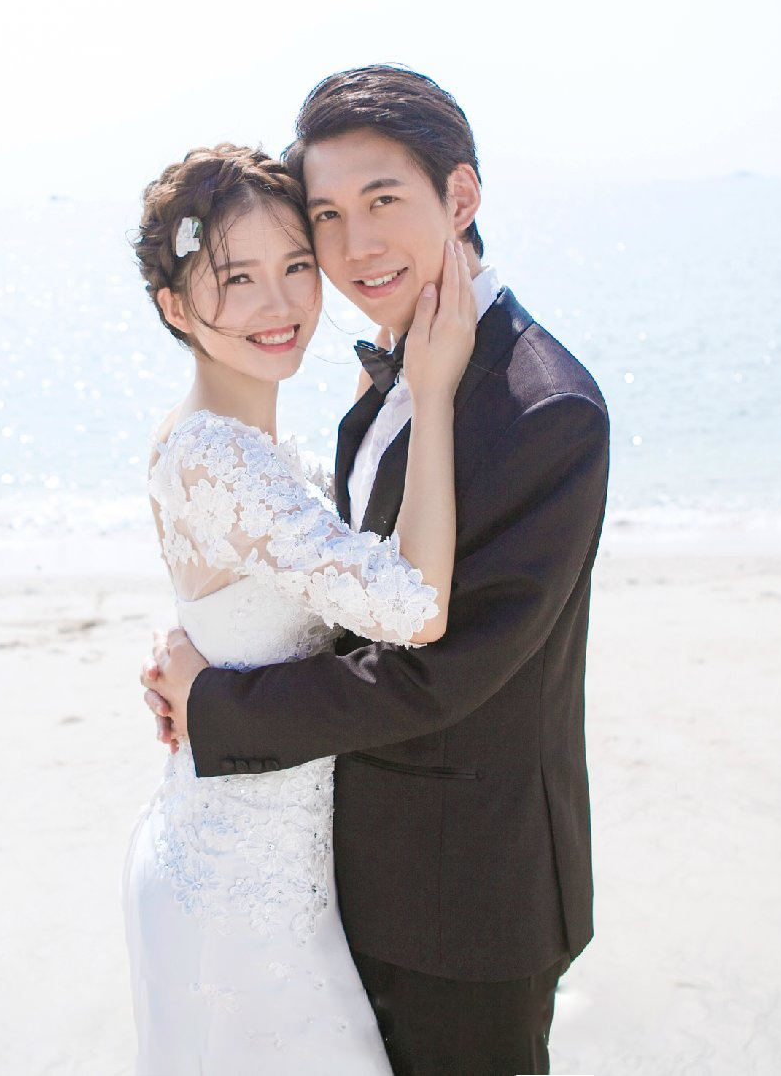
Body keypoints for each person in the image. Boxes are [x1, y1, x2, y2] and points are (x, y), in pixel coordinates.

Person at [142, 66, 612, 1076]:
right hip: (337, 879)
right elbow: (319, 582)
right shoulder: (394, 366)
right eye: (327, 216)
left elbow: (436, 671)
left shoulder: (543, 410)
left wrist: (215, 703)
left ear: (460, 196)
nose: (354, 247)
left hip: (464, 901)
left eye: (383, 200)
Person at [122, 142, 479, 1074]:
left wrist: (185, 653)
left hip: (260, 868)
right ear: (174, 306)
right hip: (242, 900)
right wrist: (434, 391)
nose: (279, 304)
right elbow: (414, 605)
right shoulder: (218, 454)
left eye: (294, 266)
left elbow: (237, 584)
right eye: (236, 278)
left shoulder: (228, 440)